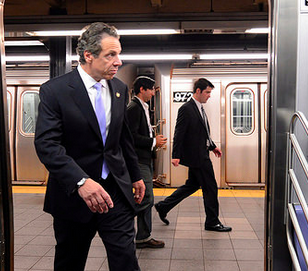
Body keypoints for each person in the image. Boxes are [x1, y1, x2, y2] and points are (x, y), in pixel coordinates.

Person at [34, 22, 145, 271]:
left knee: (126, 261)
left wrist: (135, 175)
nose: (118, 61)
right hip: (75, 196)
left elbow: (122, 137)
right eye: (111, 55)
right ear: (88, 55)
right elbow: (47, 144)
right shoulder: (56, 91)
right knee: (70, 262)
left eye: (119, 54)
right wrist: (80, 182)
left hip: (115, 190)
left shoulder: (119, 89)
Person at [154, 78, 232, 232]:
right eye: (207, 92)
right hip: (198, 157)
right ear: (198, 91)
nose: (209, 95)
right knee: (210, 188)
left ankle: (163, 206)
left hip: (202, 153)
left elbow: (201, 133)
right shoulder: (187, 108)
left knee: (193, 185)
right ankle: (212, 222)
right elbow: (179, 132)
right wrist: (175, 154)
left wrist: (213, 147)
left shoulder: (199, 108)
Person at [127, 76, 167, 248]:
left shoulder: (142, 107)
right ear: (142, 89)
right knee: (147, 197)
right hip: (138, 160)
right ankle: (120, 223)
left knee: (146, 197)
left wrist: (153, 138)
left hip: (144, 158)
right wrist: (153, 142)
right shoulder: (133, 108)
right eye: (151, 89)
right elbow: (131, 136)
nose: (152, 93)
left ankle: (143, 237)